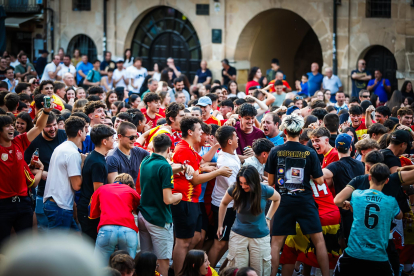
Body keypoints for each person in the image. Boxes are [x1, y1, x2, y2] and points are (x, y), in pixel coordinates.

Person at [264, 114, 330, 276]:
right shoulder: (309, 152)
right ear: (301, 131)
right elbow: (320, 181)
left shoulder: (275, 151)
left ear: (284, 130)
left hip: (282, 201)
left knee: (276, 243)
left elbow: (271, 180)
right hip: (304, 201)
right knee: (319, 241)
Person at [171, 117, 232, 275]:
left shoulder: (189, 149)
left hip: (192, 200)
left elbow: (200, 165)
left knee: (195, 238)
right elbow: (196, 178)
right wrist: (218, 172)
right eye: (200, 130)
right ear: (190, 132)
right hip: (184, 199)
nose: (202, 133)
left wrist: (210, 166)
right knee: (183, 242)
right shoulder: (183, 149)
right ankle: (178, 273)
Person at [333, 164, 403, 276]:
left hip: (353, 254)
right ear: (387, 180)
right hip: (378, 257)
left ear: (369, 177)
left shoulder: (356, 195)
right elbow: (400, 216)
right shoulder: (391, 201)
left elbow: (338, 201)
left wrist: (348, 204)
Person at [0, 103, 52, 244]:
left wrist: (46, 112)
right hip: (3, 205)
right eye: (7, 126)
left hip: (23, 203)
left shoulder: (18, 142)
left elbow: (38, 127)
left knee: (26, 243)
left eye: (12, 125)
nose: (12, 128)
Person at [219, 165, 280, 276]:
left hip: (260, 237)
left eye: (246, 183)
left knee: (260, 271)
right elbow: (223, 203)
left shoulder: (264, 190)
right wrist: (220, 225)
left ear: (254, 182)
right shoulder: (235, 188)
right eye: (241, 183)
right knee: (237, 270)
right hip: (239, 236)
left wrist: (268, 218)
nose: (243, 186)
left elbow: (277, 199)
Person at [138, 134, 183, 276]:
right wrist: (180, 195)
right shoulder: (164, 166)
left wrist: (181, 168)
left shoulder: (145, 160)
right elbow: (168, 199)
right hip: (159, 218)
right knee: (163, 260)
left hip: (143, 215)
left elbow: (158, 172)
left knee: (146, 260)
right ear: (169, 149)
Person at [23, 111, 67, 231]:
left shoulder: (64, 135)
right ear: (41, 127)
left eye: (54, 124)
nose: (52, 129)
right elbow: (24, 166)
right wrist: (40, 173)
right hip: (44, 193)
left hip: (65, 192)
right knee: (45, 229)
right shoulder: (33, 141)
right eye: (48, 126)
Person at [42, 116, 87, 231]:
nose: (86, 132)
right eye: (85, 129)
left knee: (75, 241)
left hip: (56, 204)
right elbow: (77, 185)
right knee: (57, 248)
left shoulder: (61, 147)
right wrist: (82, 164)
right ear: (79, 132)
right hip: (60, 207)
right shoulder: (72, 153)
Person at [322, 133, 365, 244]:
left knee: (346, 240)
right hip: (360, 207)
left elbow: (321, 174)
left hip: (344, 208)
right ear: (351, 148)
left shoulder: (335, 165)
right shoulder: (361, 165)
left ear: (335, 148)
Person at [208, 126, 241, 267]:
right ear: (229, 141)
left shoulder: (229, 154)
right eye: (235, 136)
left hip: (228, 205)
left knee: (225, 242)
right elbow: (235, 189)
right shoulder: (227, 162)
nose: (238, 138)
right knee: (219, 243)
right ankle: (208, 270)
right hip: (225, 207)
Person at [90, 173, 140, 264]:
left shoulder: (102, 188)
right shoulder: (130, 190)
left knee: (100, 266)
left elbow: (92, 212)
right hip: (128, 229)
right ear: (129, 185)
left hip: (107, 229)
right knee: (128, 267)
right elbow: (140, 208)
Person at [78, 124, 115, 241]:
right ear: (104, 141)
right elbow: (98, 191)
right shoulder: (98, 162)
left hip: (87, 206)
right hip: (90, 210)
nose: (114, 141)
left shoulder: (95, 156)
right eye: (112, 138)